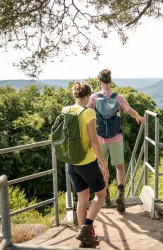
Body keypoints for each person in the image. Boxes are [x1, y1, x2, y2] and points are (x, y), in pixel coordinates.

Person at [87, 69, 144, 213]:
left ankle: (106, 195)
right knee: (119, 167)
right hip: (116, 137)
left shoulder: (94, 98)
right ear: (110, 82)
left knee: (103, 167)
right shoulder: (118, 97)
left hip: (99, 139)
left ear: (99, 82)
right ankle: (120, 194)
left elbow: (86, 113)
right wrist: (138, 117)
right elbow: (129, 110)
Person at [62, 82, 109, 247]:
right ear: (88, 96)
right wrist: (103, 164)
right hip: (87, 162)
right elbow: (94, 141)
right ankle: (86, 228)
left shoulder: (65, 110)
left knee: (82, 199)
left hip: (71, 162)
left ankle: (84, 238)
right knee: (101, 194)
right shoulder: (89, 112)